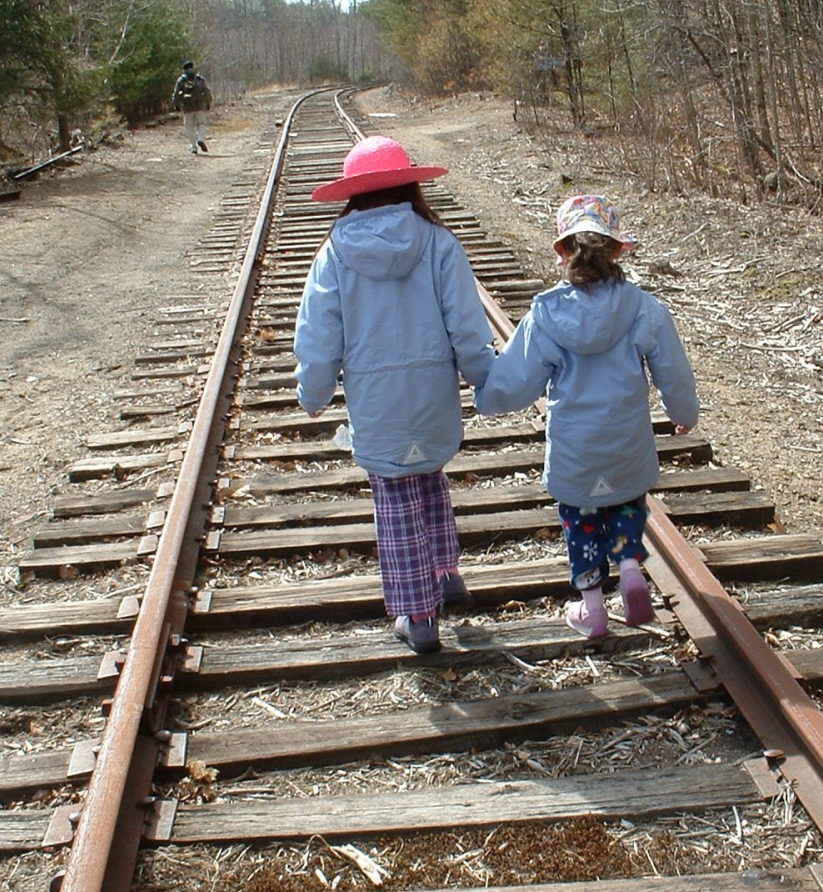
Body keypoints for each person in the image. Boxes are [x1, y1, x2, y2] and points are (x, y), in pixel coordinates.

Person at [293, 135, 496, 654]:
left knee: (396, 503)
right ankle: (447, 575)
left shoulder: (334, 253)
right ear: (410, 185)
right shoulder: (439, 243)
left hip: (378, 401)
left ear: (352, 195)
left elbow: (319, 338)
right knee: (428, 478)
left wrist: (314, 392)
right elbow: (468, 327)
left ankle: (420, 616)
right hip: (431, 396)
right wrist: (482, 375)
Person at [474, 194, 699, 639]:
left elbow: (516, 383)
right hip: (626, 443)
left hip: (577, 449)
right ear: (619, 250)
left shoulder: (545, 314)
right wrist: (684, 413)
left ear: (562, 252)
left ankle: (592, 610)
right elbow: (674, 371)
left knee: (583, 521)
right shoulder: (645, 308)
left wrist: (484, 395)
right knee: (627, 504)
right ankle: (632, 568)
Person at [171, 61, 213, 155]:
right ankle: (200, 139)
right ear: (192, 67)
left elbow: (176, 93)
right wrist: (208, 102)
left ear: (184, 69)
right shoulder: (199, 78)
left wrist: (176, 104)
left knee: (189, 127)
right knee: (202, 124)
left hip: (187, 107)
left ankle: (194, 147)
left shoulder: (181, 80)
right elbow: (206, 91)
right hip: (200, 106)